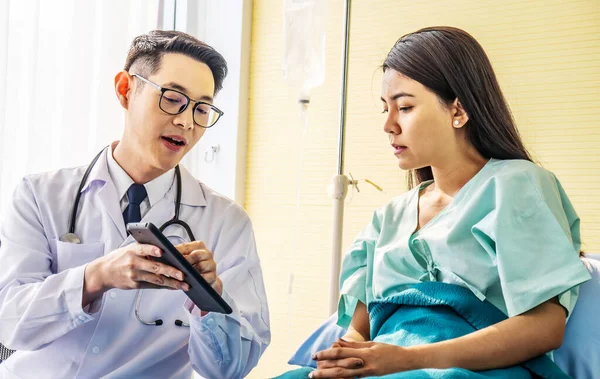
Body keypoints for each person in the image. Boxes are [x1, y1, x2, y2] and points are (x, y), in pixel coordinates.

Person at [277, 26, 590, 379]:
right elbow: (358, 334)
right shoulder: (387, 219)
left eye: (405, 107)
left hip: (472, 371)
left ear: (458, 109)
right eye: (385, 109)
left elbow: (544, 327)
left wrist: (409, 360)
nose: (389, 125)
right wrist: (347, 359)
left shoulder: (516, 185)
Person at [0, 30, 270, 379]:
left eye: (201, 109)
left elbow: (230, 369)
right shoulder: (40, 195)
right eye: (173, 99)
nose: (186, 121)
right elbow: (8, 323)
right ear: (126, 90)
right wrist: (96, 277)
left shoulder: (226, 222)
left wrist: (210, 302)